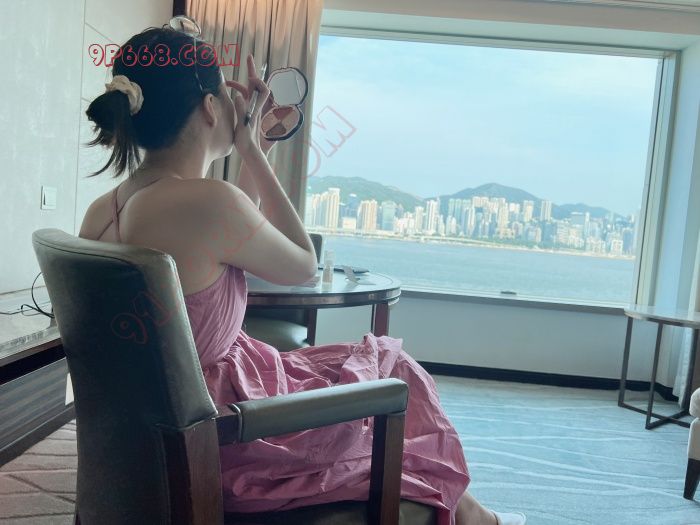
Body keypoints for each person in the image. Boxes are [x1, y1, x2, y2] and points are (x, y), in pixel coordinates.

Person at [77, 25, 526, 525]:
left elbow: (232, 226)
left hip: (151, 434)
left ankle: (475, 515)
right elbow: (302, 264)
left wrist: (258, 148)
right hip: (221, 436)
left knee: (361, 370)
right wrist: (249, 148)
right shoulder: (205, 202)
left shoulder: (104, 211)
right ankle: (475, 517)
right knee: (396, 371)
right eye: (225, 92)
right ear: (209, 108)